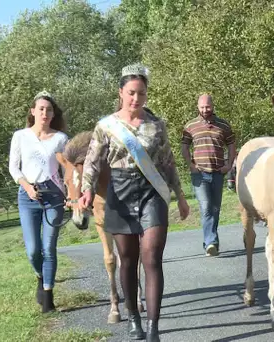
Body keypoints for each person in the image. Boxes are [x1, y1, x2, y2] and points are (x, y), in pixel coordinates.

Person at [79, 63, 190, 341]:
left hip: (152, 192)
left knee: (152, 258)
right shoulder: (106, 127)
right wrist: (87, 191)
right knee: (127, 261)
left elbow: (168, 162)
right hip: (120, 191)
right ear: (121, 92)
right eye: (131, 93)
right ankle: (134, 317)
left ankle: (153, 327)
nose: (136, 99)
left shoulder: (156, 126)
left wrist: (180, 196)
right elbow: (92, 161)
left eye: (141, 93)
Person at [8, 90, 69, 313]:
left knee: (49, 247)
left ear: (53, 114)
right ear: (33, 111)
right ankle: (40, 275)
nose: (45, 112)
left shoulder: (61, 139)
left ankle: (48, 296)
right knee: (33, 250)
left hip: (54, 195)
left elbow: (68, 170)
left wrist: (71, 195)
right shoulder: (20, 136)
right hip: (28, 196)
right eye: (41, 108)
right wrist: (27, 187)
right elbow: (14, 167)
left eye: (49, 109)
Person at [181, 94, 236, 256]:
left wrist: (229, 165)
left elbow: (232, 145)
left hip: (218, 172)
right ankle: (211, 242)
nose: (205, 110)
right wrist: (191, 165)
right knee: (206, 207)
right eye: (202, 107)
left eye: (208, 106)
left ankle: (211, 242)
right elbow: (184, 147)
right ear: (198, 107)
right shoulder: (190, 125)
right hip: (199, 174)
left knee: (215, 208)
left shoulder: (223, 125)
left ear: (213, 106)